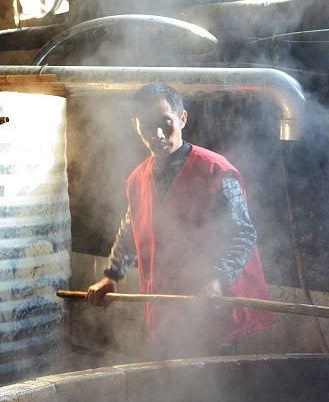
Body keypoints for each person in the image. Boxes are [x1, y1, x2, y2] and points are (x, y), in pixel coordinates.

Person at [85, 82, 273, 357]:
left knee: (217, 393)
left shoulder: (217, 172)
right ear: (135, 124)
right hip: (165, 309)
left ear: (182, 118)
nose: (158, 134)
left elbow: (242, 234)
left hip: (211, 307)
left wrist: (218, 280)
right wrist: (111, 276)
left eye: (166, 122)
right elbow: (132, 228)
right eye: (147, 125)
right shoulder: (138, 179)